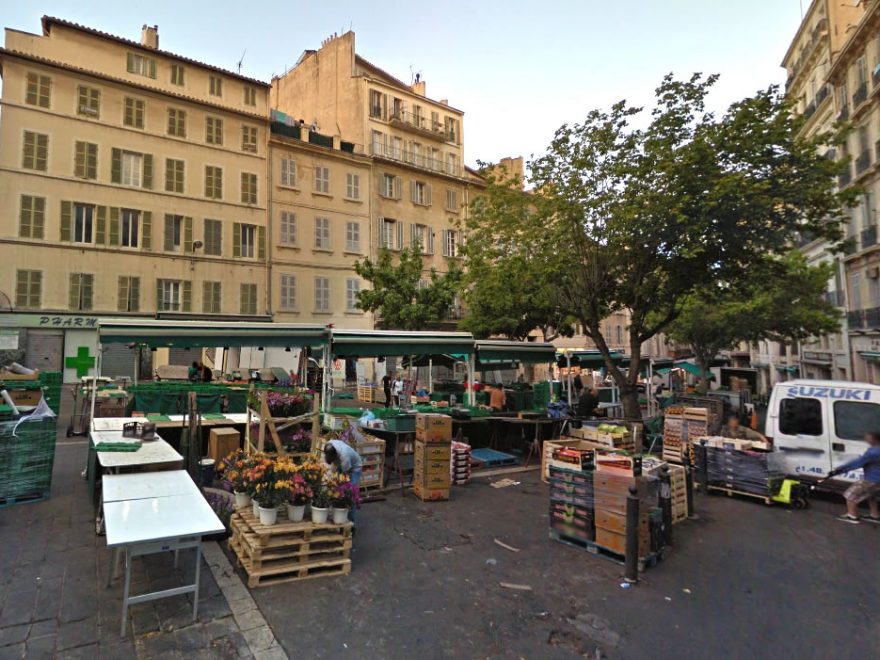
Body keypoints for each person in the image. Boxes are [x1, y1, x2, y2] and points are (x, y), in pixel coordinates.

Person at [830, 431, 880, 524]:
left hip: (872, 480)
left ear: (875, 439)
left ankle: (852, 516)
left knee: (850, 495)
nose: (865, 439)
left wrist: (839, 470)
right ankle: (875, 515)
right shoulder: (875, 449)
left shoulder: (874, 452)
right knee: (871, 496)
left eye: (868, 437)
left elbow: (858, 463)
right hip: (877, 480)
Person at [323, 439, 363, 525]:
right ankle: (338, 515)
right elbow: (333, 466)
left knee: (350, 493)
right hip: (341, 463)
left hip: (354, 468)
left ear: (335, 455)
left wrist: (339, 485)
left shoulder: (345, 457)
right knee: (336, 488)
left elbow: (345, 476)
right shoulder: (329, 445)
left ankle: (351, 523)